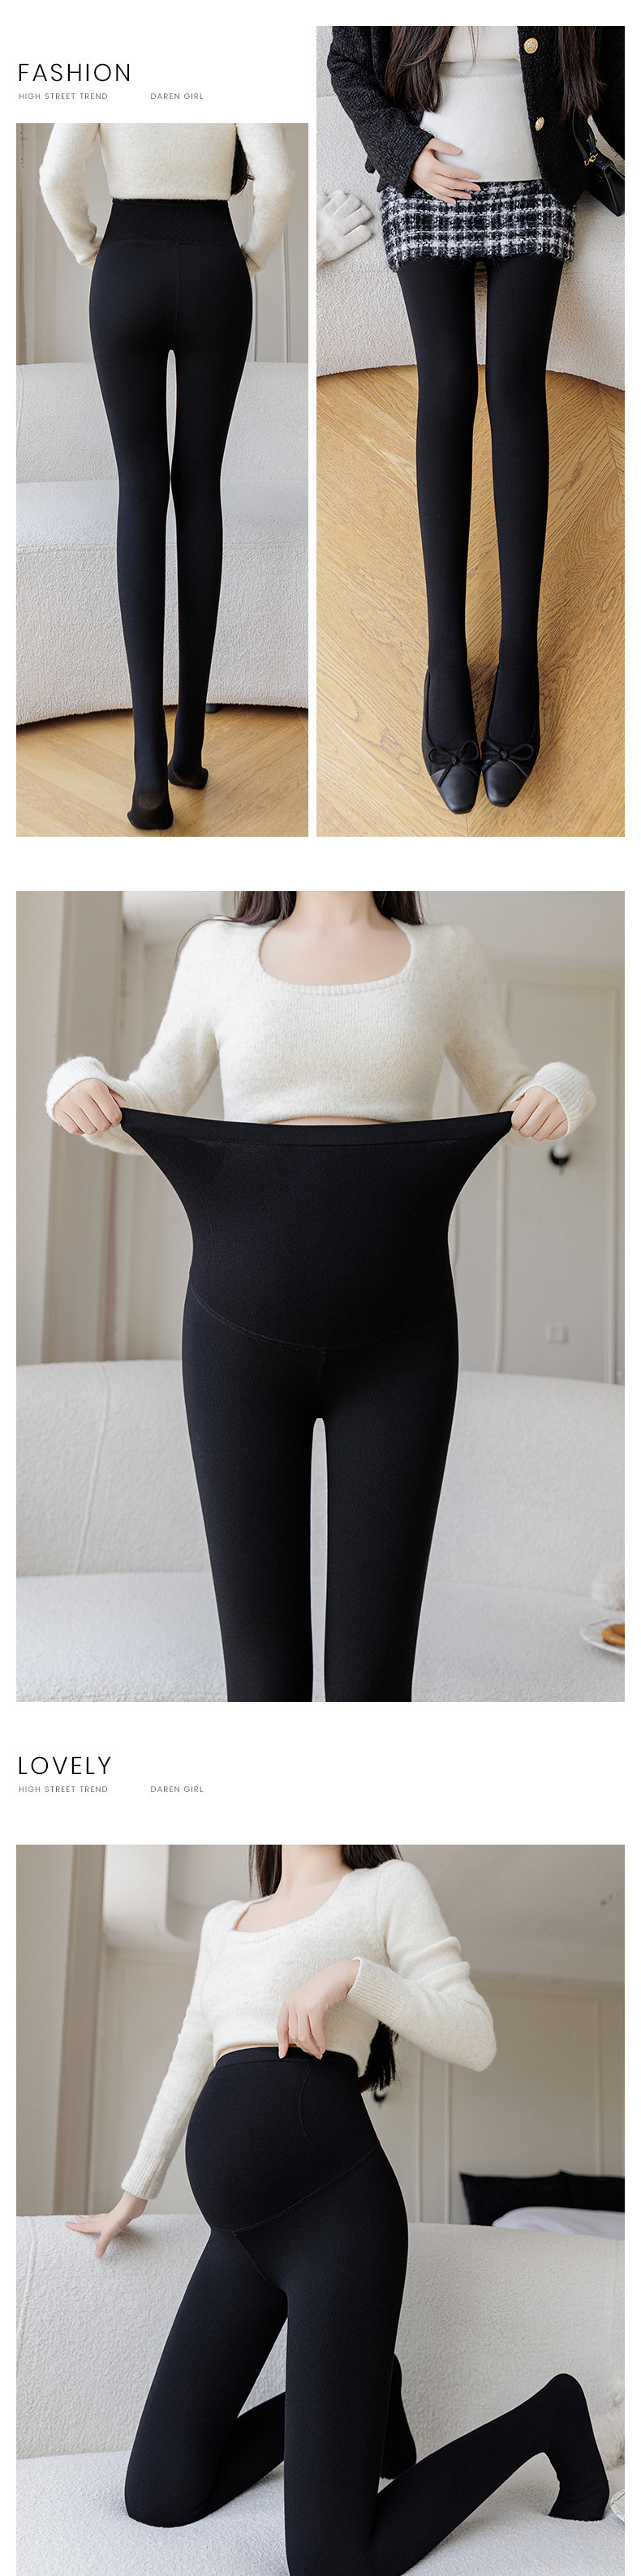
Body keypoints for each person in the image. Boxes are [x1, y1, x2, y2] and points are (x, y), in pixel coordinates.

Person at [46, 889, 596, 1701]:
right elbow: (149, 1099)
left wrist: (563, 1086)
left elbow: (513, 1089)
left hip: (402, 1341)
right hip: (236, 1342)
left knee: (374, 1680)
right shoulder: (216, 953)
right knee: (260, 1677)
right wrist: (77, 1082)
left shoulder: (447, 954)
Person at [67, 1844, 610, 2576]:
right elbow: (191, 2056)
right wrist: (134, 2192)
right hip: (237, 2243)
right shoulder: (224, 1923)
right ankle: (371, 2401)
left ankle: (553, 2418)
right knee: (157, 2497)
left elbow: (475, 2035)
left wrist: (354, 1976)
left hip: (339, 2225)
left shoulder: (385, 1890)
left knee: (332, 2568)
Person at [328, 28, 624, 809]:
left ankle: (519, 658)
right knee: (448, 385)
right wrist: (405, 155)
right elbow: (348, 62)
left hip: (537, 182)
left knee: (516, 387)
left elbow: (611, 64)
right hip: (424, 185)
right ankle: (445, 659)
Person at [39, 121, 294, 829]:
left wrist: (89, 247)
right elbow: (276, 181)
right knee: (200, 488)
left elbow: (55, 175)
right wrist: (251, 255)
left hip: (125, 269)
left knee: (141, 491)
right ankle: (191, 748)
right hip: (216, 269)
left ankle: (149, 766)